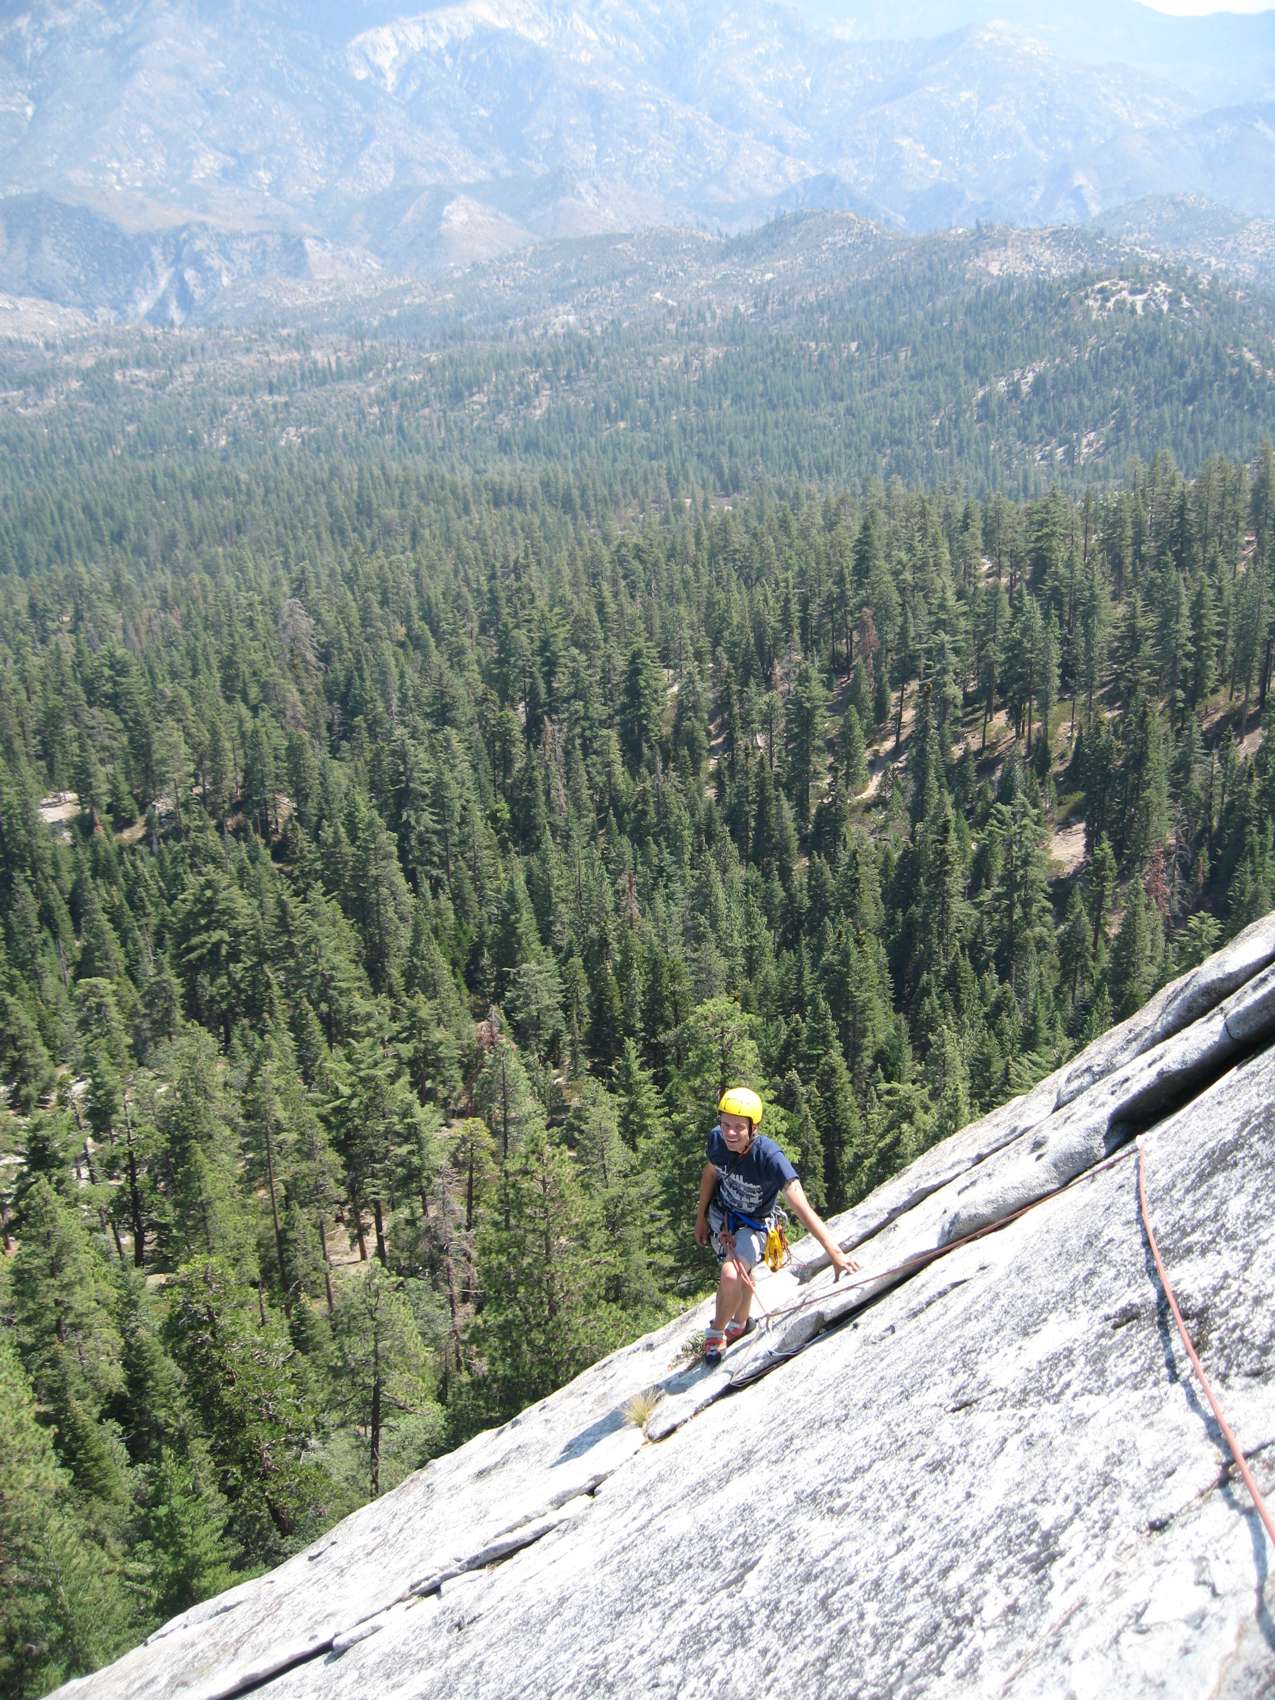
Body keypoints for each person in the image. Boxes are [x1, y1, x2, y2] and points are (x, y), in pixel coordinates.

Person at [694, 1085, 859, 1366]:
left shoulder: (770, 1158)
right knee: (741, 1272)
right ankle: (740, 1323)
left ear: (753, 1128)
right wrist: (701, 1217)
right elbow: (710, 1173)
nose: (730, 1133)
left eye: (738, 1127)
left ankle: (716, 1334)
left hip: (755, 1225)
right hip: (721, 1218)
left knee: (731, 1274)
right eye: (725, 1125)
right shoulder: (717, 1140)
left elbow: (801, 1205)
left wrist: (835, 1253)